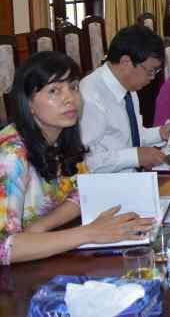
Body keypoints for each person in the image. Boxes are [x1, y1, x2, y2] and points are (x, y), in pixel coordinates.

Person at [1, 52, 155, 265]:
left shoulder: (62, 135)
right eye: (54, 90)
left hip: (44, 253)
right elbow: (4, 247)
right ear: (28, 103)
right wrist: (89, 233)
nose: (69, 98)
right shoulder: (10, 154)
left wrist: (41, 227)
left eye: (73, 87)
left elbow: (80, 190)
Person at [80, 25, 170, 173]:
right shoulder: (90, 95)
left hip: (132, 180)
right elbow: (85, 163)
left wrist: (160, 133)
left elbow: (129, 137)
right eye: (150, 70)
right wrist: (135, 157)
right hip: (106, 188)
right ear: (126, 62)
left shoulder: (127, 87)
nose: (152, 77)